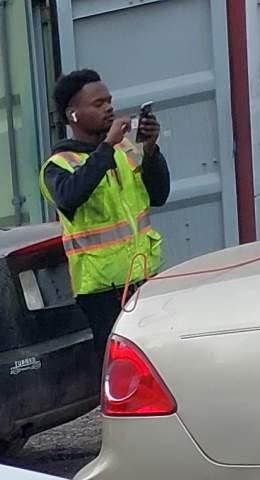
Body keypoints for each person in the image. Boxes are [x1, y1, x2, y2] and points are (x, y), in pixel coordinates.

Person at [43, 69, 171, 349]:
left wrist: (150, 150)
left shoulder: (125, 150)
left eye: (109, 101)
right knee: (117, 367)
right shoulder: (58, 165)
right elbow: (71, 196)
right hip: (101, 294)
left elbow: (159, 195)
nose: (109, 108)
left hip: (144, 279)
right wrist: (106, 147)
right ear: (73, 115)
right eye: (98, 104)